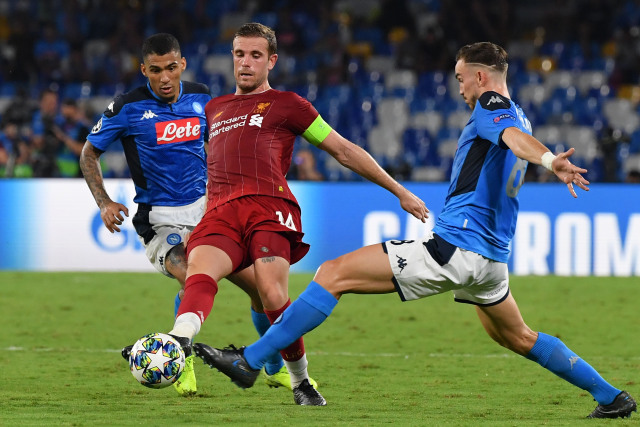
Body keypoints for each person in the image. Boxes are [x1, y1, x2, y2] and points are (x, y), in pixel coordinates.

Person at [193, 42, 637, 419]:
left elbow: (514, 142)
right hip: (490, 260)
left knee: (331, 274)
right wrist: (542, 156)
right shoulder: (519, 111)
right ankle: (610, 397)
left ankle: (251, 361)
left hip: (456, 247)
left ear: (481, 77)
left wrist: (548, 161)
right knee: (518, 336)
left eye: (462, 77)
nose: (459, 86)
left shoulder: (492, 105)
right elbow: (515, 139)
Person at [160, 22, 428, 406]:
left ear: (272, 60)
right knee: (199, 275)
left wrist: (398, 190)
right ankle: (178, 342)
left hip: (268, 207)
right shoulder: (214, 108)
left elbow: (343, 149)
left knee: (272, 293)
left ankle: (300, 381)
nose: (246, 63)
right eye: (239, 54)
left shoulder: (290, 105)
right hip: (219, 211)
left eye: (255, 55)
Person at [79, 32, 296, 397]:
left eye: (171, 68)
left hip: (210, 213)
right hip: (161, 221)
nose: (164, 77)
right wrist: (103, 201)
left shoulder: (202, 97)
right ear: (143, 69)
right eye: (155, 70)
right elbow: (88, 153)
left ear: (182, 64)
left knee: (263, 290)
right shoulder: (126, 108)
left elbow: (218, 145)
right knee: (193, 276)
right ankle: (182, 364)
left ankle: (271, 366)